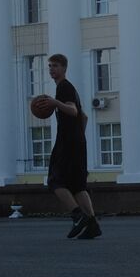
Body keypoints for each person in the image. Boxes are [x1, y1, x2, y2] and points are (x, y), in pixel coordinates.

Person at [38, 54, 98, 239]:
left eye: (55, 66)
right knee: (77, 185)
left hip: (68, 143)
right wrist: (79, 137)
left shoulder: (64, 87)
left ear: (64, 68)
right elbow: (83, 116)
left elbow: (72, 111)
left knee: (55, 181)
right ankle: (92, 225)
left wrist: (56, 103)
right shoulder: (67, 88)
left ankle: (77, 216)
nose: (51, 69)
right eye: (49, 66)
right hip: (76, 142)